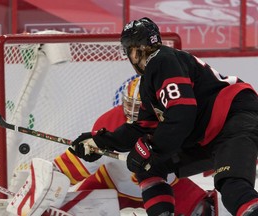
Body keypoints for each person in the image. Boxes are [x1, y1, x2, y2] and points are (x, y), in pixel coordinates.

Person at [69, 17, 258, 216]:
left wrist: (151, 148)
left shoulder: (162, 61)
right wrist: (99, 141)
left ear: (135, 50)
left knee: (232, 188)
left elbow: (181, 115)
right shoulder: (154, 76)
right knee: (150, 168)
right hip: (210, 132)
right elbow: (143, 127)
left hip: (233, 121)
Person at [57, 76, 217, 215]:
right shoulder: (109, 123)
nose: (134, 113)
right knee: (63, 211)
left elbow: (206, 153)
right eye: (130, 105)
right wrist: (53, 175)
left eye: (140, 107)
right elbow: (76, 164)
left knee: (206, 211)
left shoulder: (176, 124)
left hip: (169, 186)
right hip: (112, 187)